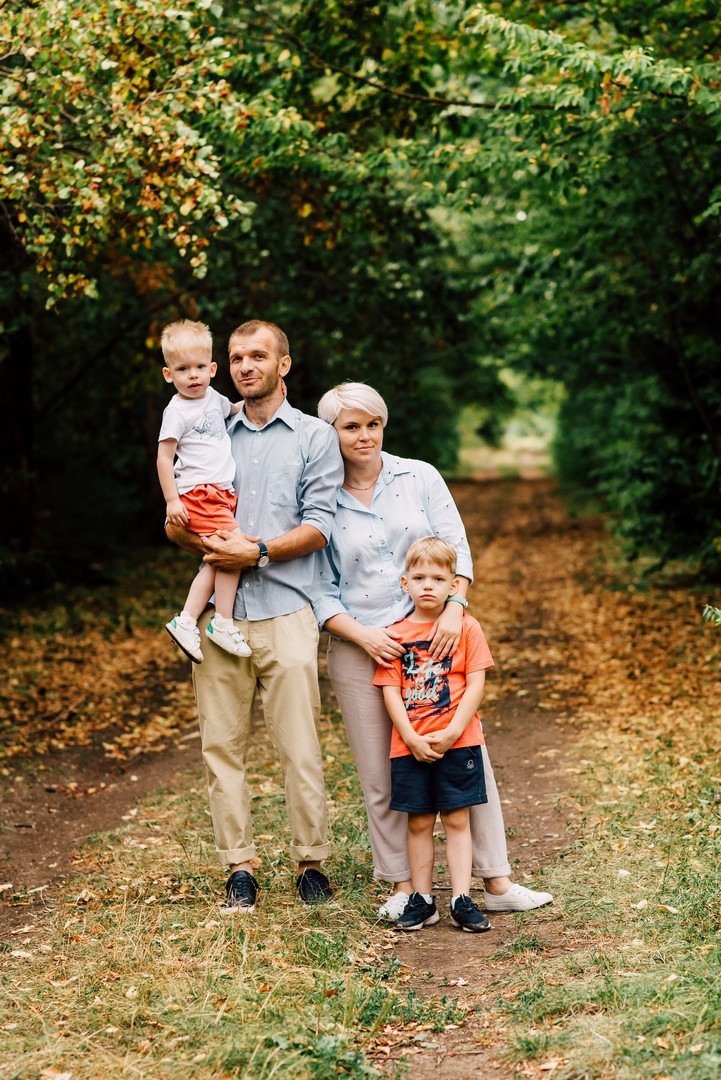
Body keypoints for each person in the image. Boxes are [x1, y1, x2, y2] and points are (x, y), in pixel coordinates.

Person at [314, 381, 553, 920]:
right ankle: (403, 886)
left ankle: (496, 880)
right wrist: (361, 633)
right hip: (361, 644)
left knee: (468, 757)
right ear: (330, 433)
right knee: (383, 770)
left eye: (372, 423)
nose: (364, 435)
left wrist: (455, 607)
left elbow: (457, 546)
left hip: (436, 636)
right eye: (350, 426)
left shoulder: (418, 475)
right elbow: (315, 586)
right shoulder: (319, 497)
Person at [166, 320, 344, 914]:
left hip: (289, 610)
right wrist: (187, 536)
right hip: (223, 618)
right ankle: (239, 867)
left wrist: (260, 551)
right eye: (236, 356)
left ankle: (311, 863)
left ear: (283, 364)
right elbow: (187, 514)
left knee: (300, 749)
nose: (244, 366)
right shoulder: (209, 424)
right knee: (222, 748)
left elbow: (321, 525)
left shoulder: (315, 437)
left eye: (257, 356)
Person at [374, 536, 494, 933]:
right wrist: (409, 737)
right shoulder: (394, 634)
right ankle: (422, 899)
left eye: (439, 578)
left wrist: (454, 730)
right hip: (410, 746)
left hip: (458, 743)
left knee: (458, 820)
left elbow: (475, 683)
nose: (428, 585)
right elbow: (391, 690)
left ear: (453, 586)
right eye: (420, 577)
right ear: (404, 583)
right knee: (419, 823)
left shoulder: (468, 628)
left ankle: (462, 898)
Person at [157, 319, 251, 663]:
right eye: (183, 369)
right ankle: (222, 622)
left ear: (212, 369)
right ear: (169, 374)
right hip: (199, 493)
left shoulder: (214, 398)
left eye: (199, 367)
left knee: (218, 559)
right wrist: (171, 500)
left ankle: (186, 620)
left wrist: (258, 403)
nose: (193, 376)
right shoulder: (176, 410)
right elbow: (164, 457)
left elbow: (234, 410)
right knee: (234, 551)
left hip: (221, 494)